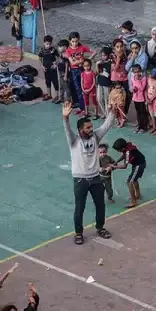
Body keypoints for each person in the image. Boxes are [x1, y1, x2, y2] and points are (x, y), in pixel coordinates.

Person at [62, 98, 115, 245]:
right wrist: (65, 118)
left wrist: (112, 111)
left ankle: (100, 227)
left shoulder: (96, 136)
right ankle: (78, 233)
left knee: (100, 205)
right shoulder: (74, 140)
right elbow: (67, 129)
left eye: (91, 127)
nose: (91, 130)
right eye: (87, 128)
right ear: (80, 130)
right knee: (80, 207)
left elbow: (107, 125)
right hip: (80, 179)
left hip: (95, 178)